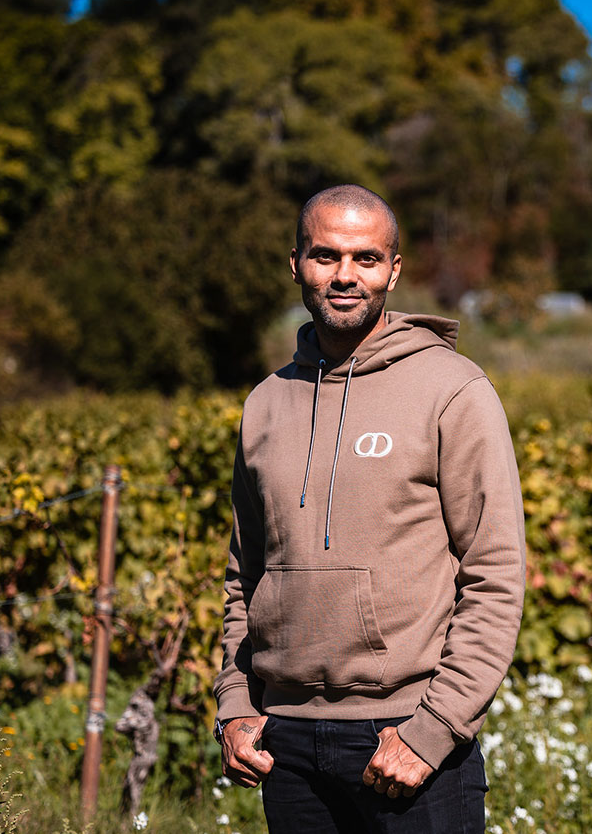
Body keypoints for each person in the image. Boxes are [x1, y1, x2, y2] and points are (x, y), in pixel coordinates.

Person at [212, 184, 526, 833]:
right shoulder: (266, 403)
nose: (346, 275)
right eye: (326, 256)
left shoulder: (452, 390)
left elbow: (495, 574)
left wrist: (434, 729)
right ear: (295, 262)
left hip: (406, 737)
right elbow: (245, 575)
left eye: (366, 258)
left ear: (394, 269)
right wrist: (236, 703)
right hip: (286, 744)